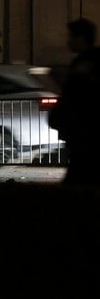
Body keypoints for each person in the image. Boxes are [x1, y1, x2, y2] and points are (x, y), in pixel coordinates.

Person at [48, 18, 100, 184]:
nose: (68, 41)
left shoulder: (84, 64)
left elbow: (74, 96)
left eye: (71, 37)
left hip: (84, 133)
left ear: (81, 39)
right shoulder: (87, 62)